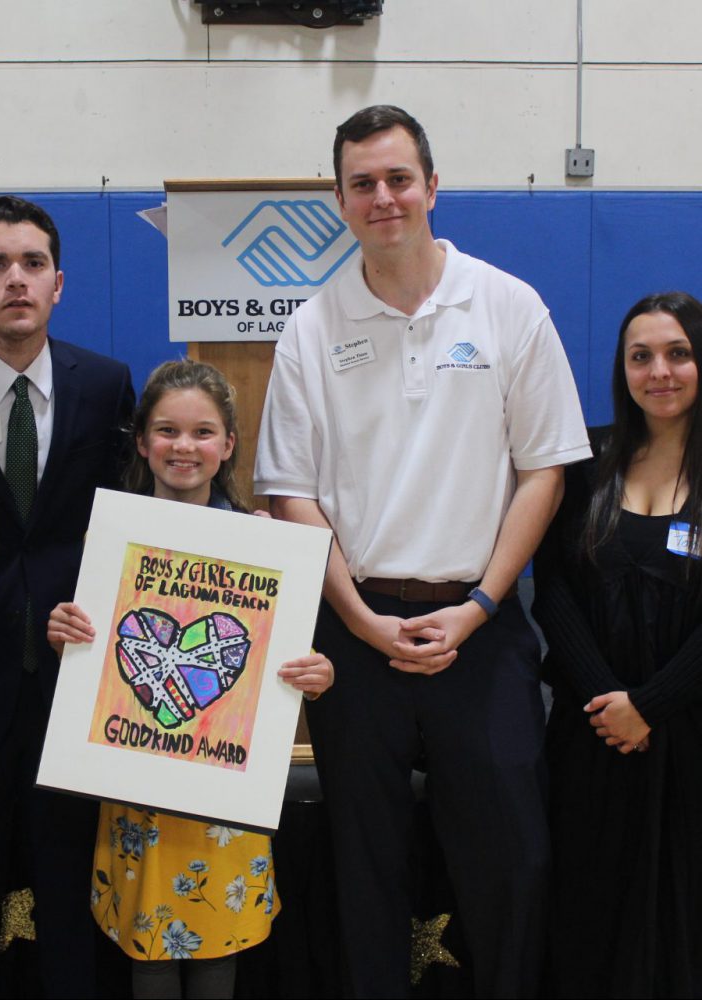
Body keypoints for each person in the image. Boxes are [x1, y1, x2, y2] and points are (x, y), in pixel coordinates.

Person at [253, 105, 591, 998]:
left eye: (398, 178)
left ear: (432, 187)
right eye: (362, 183)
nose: (383, 197)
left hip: (481, 630)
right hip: (356, 629)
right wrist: (359, 621)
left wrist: (480, 604)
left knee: (511, 862)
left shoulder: (509, 306)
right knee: (365, 868)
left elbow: (544, 472)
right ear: (338, 200)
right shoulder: (308, 331)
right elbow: (294, 494)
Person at [47, 359, 333, 1000]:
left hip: (225, 788)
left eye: (203, 432)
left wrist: (318, 670)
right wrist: (64, 629)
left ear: (229, 445)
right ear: (142, 440)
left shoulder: (265, 544)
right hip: (135, 783)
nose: (184, 447)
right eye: (167, 431)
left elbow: (292, 658)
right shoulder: (106, 540)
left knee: (216, 948)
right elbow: (93, 652)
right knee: (148, 947)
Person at [0, 195, 135, 997]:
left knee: (69, 889)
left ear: (60, 284)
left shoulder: (107, 383)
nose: (15, 278)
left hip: (75, 681)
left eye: (32, 264)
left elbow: (141, 517)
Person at [533, 292, 702, 998]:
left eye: (677, 354)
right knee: (588, 914)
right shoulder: (587, 462)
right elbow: (554, 590)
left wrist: (652, 705)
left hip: (689, 736)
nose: (658, 371)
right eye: (641, 357)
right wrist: (612, 704)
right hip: (592, 736)